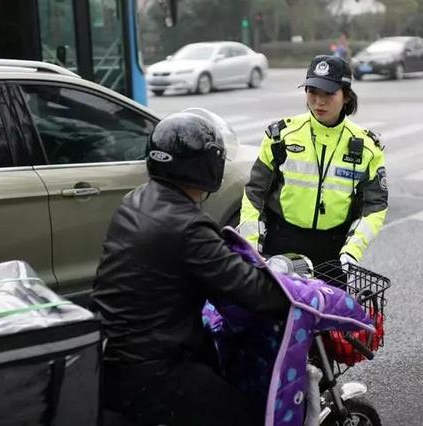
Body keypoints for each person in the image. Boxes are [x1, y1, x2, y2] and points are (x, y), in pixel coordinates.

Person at [91, 109, 290, 426]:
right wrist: (295, 298)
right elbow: (251, 289)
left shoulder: (135, 200)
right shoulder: (187, 226)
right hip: (154, 371)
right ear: (209, 165)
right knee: (246, 417)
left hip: (113, 356)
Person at [237, 55, 388, 270]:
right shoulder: (281, 136)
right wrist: (252, 247)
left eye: (329, 93)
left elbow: (375, 205)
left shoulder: (367, 147)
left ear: (346, 96)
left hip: (334, 251)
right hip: (282, 245)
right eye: (312, 92)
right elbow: (255, 194)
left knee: (329, 304)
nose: (319, 101)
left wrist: (352, 250)